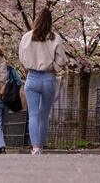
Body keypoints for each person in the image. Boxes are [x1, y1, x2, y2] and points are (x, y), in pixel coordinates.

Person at [19, 8, 67, 154]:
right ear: (50, 21)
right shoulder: (55, 38)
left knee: (33, 114)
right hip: (48, 77)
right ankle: (41, 146)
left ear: (37, 19)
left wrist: (31, 64)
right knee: (44, 115)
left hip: (32, 77)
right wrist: (53, 66)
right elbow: (62, 60)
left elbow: (22, 58)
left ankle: (36, 148)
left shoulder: (27, 37)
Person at [0, 65, 23, 154]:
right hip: (7, 100)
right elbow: (19, 82)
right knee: (1, 124)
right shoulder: (11, 69)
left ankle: (0, 147)